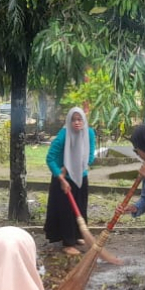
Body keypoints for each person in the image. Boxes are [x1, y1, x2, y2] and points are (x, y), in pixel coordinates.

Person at [45, 108, 98, 255]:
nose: (76, 122)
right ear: (68, 121)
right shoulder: (63, 136)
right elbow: (50, 158)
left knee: (80, 207)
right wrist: (61, 177)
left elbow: (90, 157)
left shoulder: (89, 133)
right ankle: (67, 243)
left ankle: (77, 236)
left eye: (79, 119)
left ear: (84, 120)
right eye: (73, 119)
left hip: (80, 177)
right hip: (63, 180)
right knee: (66, 210)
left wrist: (71, 167)